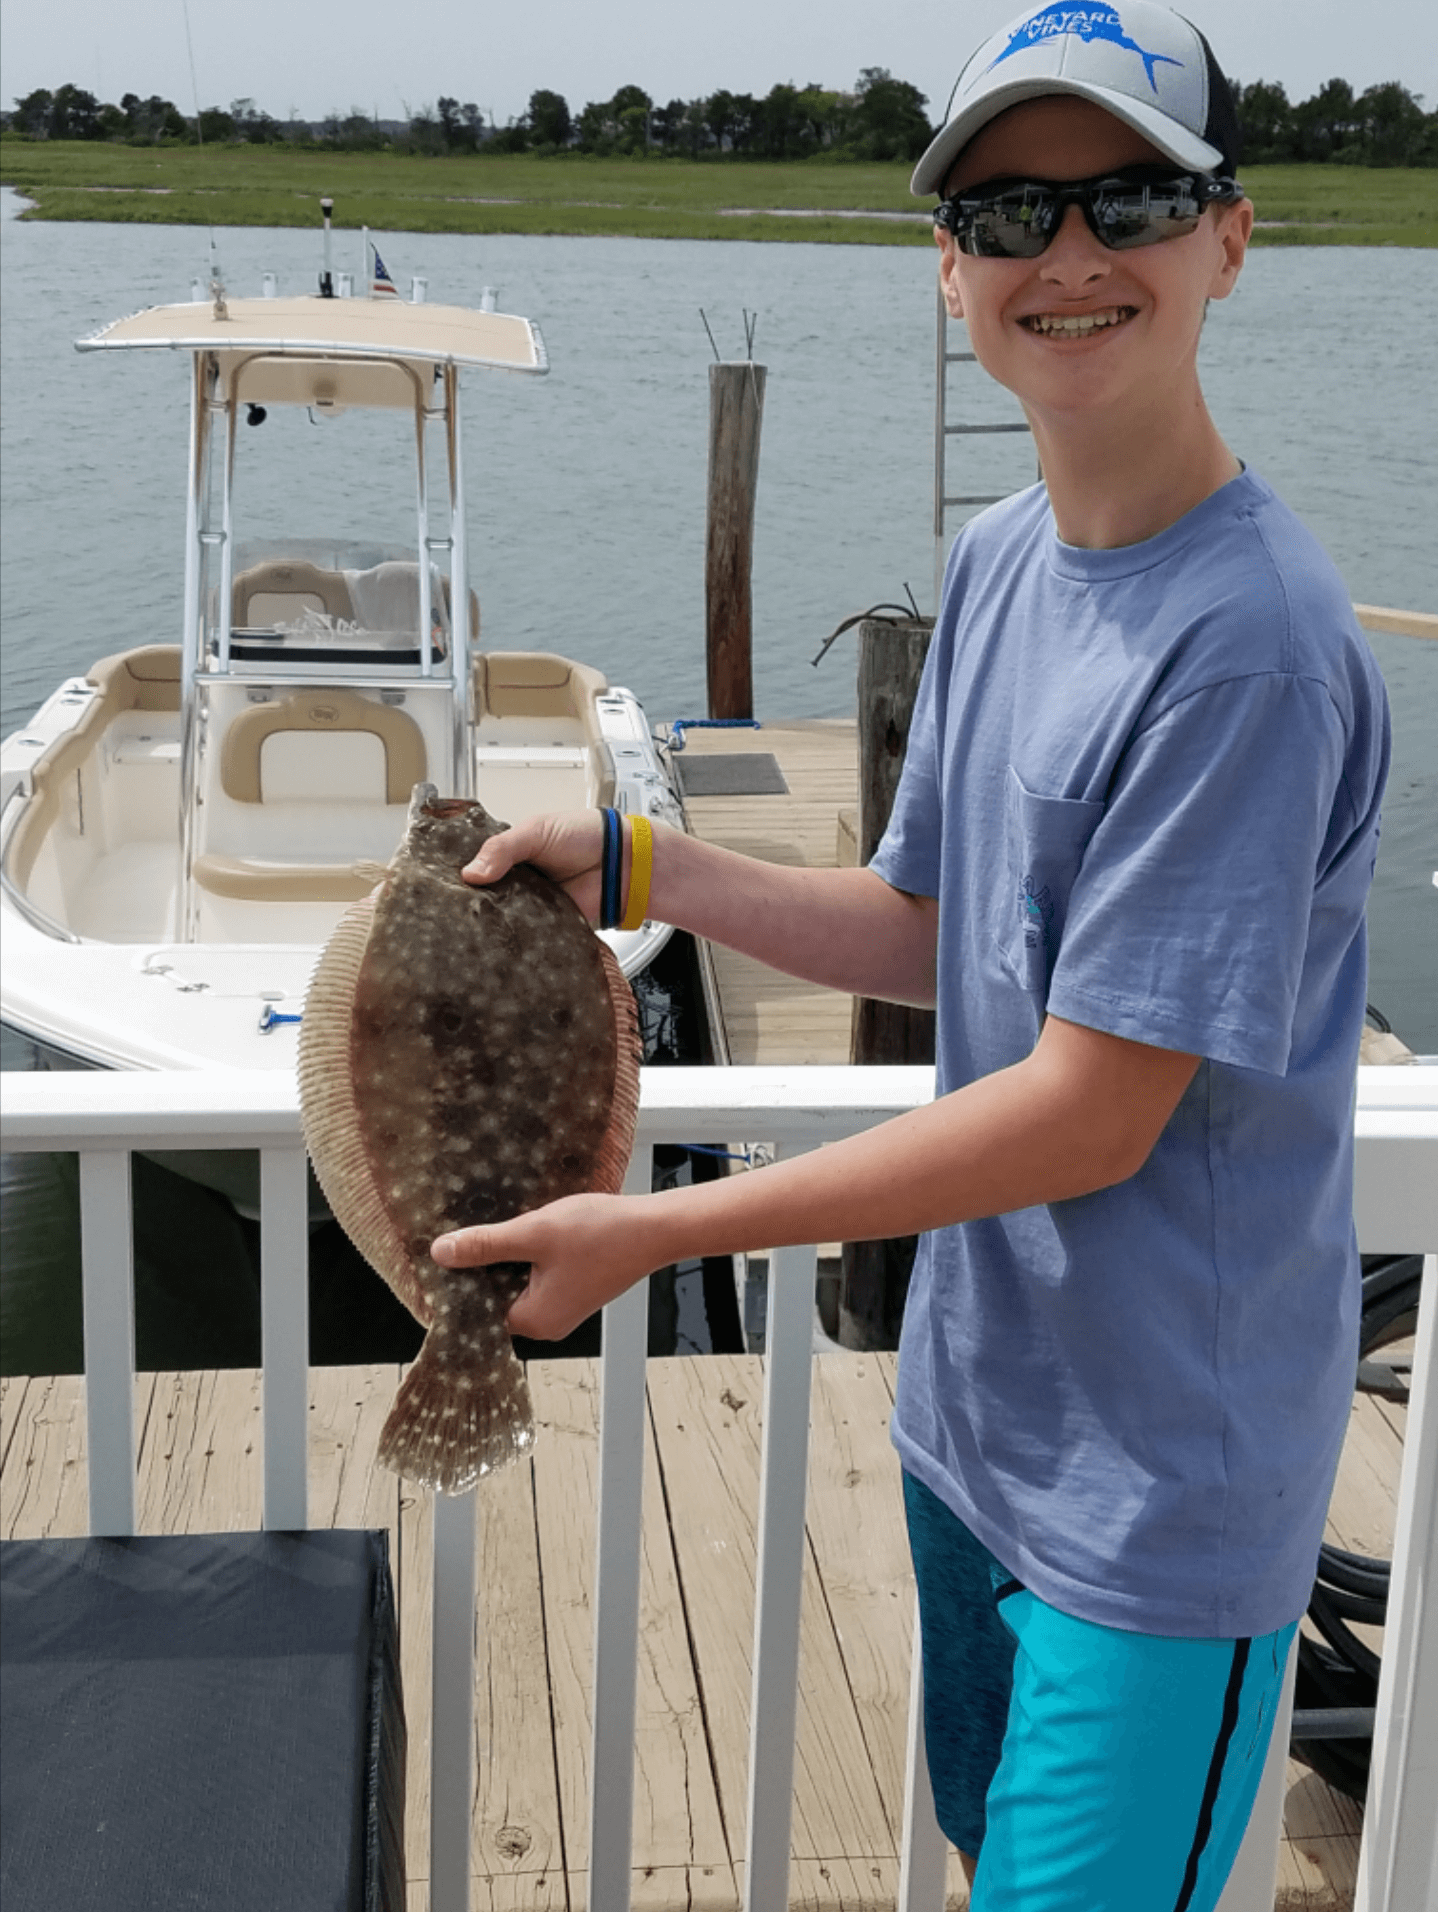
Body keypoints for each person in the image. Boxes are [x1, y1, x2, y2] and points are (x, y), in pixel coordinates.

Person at [432, 5, 1391, 1905]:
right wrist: (640, 859)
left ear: (1228, 237)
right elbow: (937, 928)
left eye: (1128, 196)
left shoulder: (1248, 649)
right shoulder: (999, 559)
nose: (1068, 255)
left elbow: (1085, 1117)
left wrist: (655, 1230)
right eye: (1009, 212)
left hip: (1160, 1500)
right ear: (949, 270)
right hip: (980, 1418)